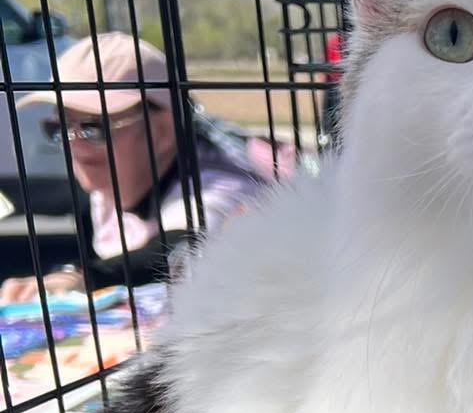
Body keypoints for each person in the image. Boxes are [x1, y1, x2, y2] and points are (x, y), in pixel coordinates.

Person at [1, 32, 274, 302]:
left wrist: (84, 279)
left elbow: (182, 249)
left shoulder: (218, 185)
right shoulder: (116, 183)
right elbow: (45, 195)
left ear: (162, 130)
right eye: (59, 128)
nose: (76, 146)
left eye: (93, 128)